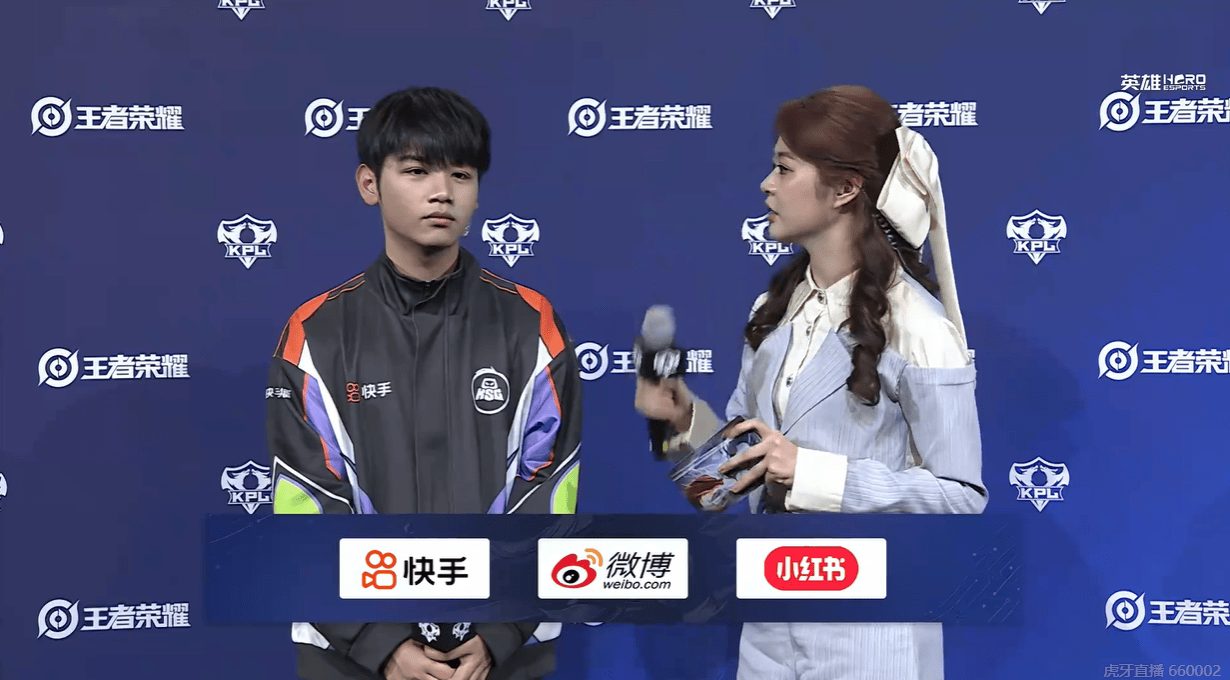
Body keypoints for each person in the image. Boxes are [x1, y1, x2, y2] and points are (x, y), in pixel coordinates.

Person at [634, 85, 987, 679]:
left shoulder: (921, 327)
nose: (765, 186)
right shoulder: (773, 312)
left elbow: (960, 498)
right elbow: (738, 478)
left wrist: (810, 472)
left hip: (876, 633)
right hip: (770, 622)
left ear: (845, 188)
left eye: (783, 168)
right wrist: (682, 421)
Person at [266, 86, 583, 680]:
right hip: (350, 657)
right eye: (416, 171)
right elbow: (306, 501)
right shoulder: (315, 332)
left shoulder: (531, 322)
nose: (443, 192)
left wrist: (500, 630)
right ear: (369, 184)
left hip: (500, 655)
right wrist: (379, 642)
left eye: (461, 174)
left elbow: (550, 485)